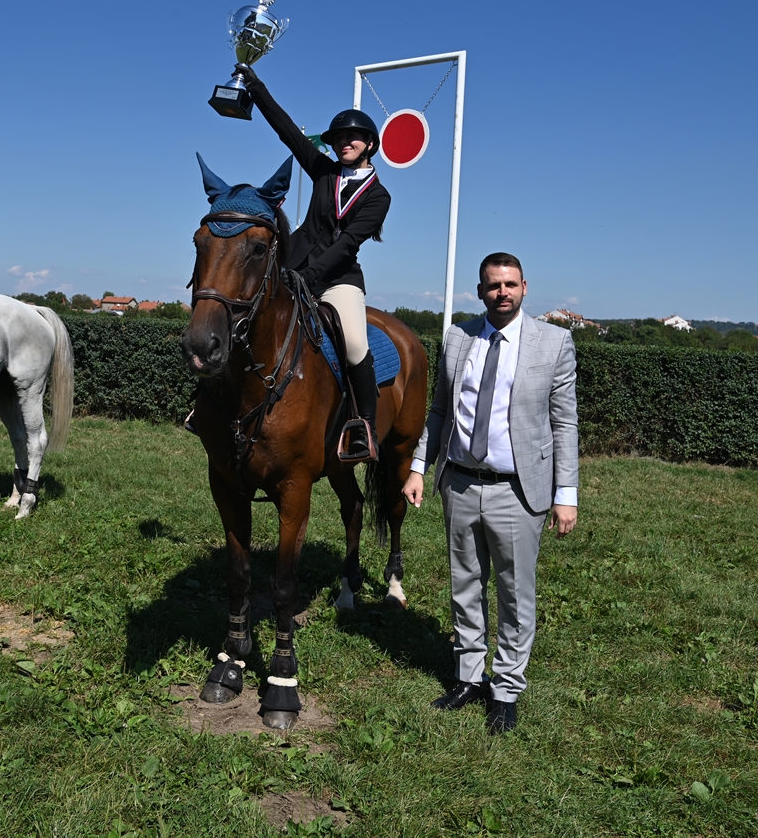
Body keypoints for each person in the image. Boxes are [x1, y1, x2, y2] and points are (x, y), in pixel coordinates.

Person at [402, 253, 579, 734]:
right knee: (465, 585)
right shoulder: (458, 337)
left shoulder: (554, 342)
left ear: (524, 288)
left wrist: (566, 493)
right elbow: (440, 410)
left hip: (517, 490)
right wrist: (419, 467)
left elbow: (564, 423)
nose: (502, 292)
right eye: (493, 285)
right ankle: (468, 677)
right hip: (459, 482)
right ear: (480, 291)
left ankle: (505, 690)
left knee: (515, 593)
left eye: (510, 284)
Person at [237, 62, 390, 461]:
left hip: (338, 279)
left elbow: (347, 244)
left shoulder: (379, 196)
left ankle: (364, 428)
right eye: (338, 138)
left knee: (354, 344)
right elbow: (288, 132)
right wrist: (255, 86)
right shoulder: (323, 171)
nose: (343, 143)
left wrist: (307, 275)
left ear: (369, 144)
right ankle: (212, 407)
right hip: (292, 268)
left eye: (352, 137)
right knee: (243, 314)